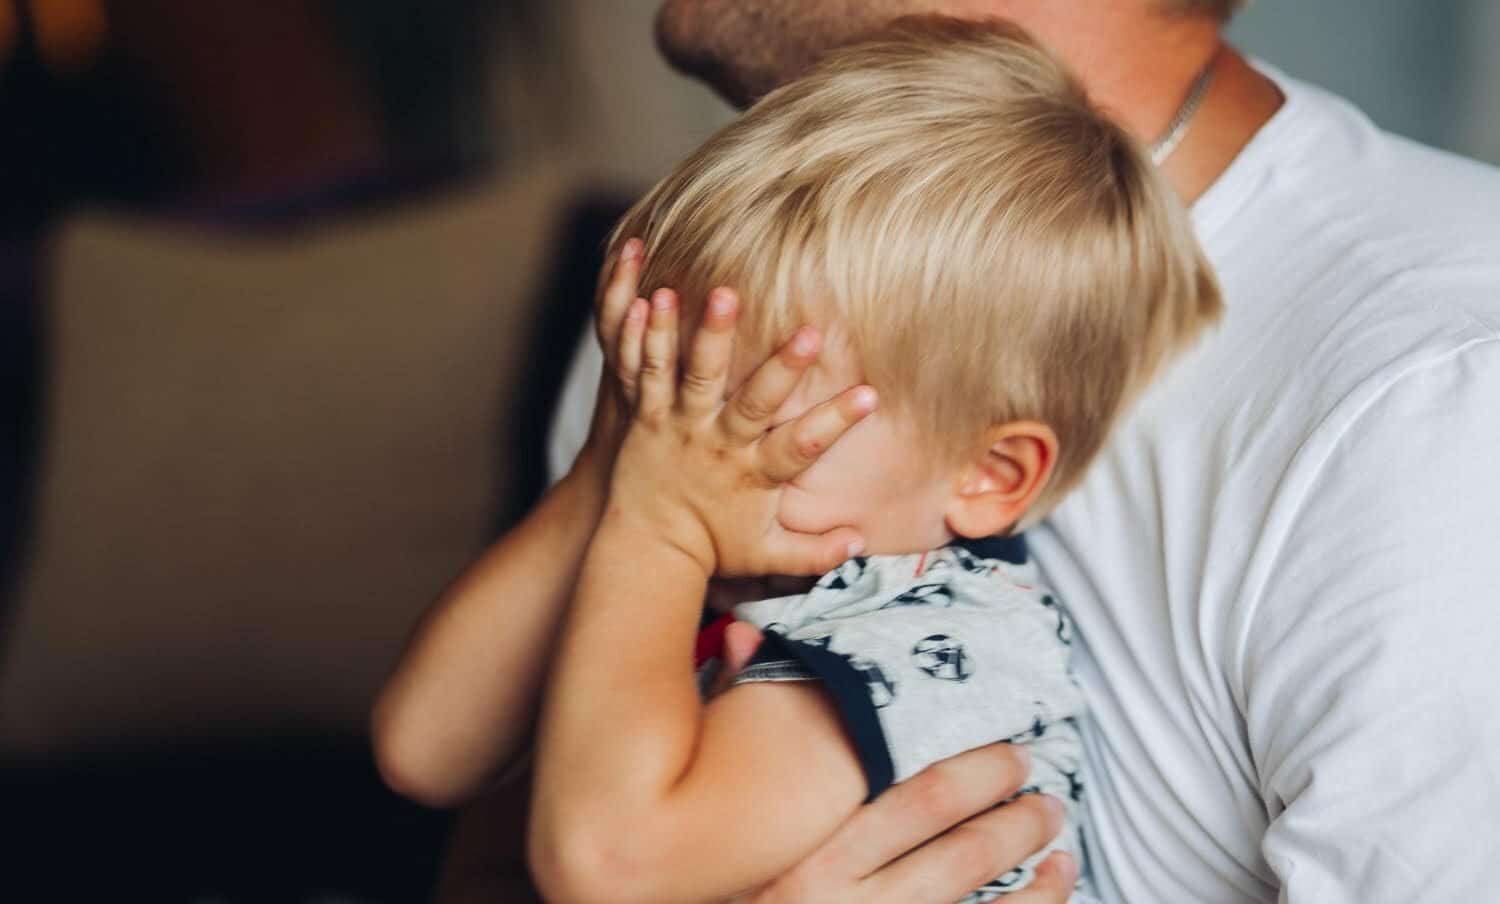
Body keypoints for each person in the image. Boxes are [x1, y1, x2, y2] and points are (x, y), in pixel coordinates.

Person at [539, 1, 1500, 902]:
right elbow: (498, 846)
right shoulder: (723, 285)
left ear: (999, 472)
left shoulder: (1439, 406)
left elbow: (598, 858)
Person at [378, 17, 1220, 902]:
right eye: (673, 389)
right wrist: (609, 466)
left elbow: (611, 865)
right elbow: (424, 751)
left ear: (989, 476)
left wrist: (659, 526)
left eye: (759, 415)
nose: (687, 448)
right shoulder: (698, 542)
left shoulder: (929, 639)